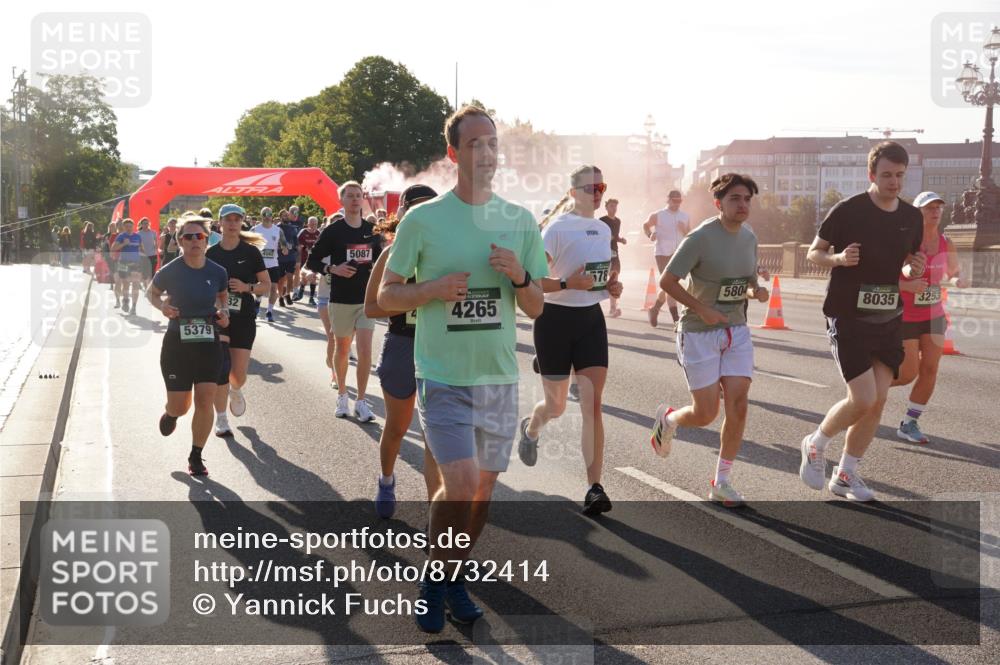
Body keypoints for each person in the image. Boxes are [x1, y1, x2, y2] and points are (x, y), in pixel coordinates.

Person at [378, 105, 547, 633]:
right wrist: (430, 289)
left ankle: (452, 577)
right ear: (454, 153)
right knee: (460, 482)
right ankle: (435, 582)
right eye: (475, 143)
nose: (487, 152)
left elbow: (537, 307)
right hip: (442, 375)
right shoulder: (423, 220)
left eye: (492, 142)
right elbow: (384, 297)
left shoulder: (519, 221)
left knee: (481, 493)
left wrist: (520, 277)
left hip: (497, 378)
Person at [799, 141, 925, 502]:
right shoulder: (848, 210)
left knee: (878, 400)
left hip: (888, 318)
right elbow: (814, 253)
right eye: (886, 175)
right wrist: (838, 259)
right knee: (863, 397)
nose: (894, 182)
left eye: (899, 175)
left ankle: (845, 474)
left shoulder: (911, 217)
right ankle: (815, 443)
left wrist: (912, 269)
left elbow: (905, 263)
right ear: (871, 174)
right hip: (848, 316)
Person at [648, 174, 769, 507]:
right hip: (698, 332)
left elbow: (746, 283)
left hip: (736, 330)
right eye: (735, 199)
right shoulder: (700, 238)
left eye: (747, 199)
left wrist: (756, 292)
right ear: (719, 203)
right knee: (705, 414)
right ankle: (668, 420)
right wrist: (702, 308)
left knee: (739, 404)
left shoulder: (749, 237)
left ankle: (722, 481)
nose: (742, 205)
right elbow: (667, 281)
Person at [518, 165, 624, 515]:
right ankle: (531, 429)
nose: (597, 193)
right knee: (556, 407)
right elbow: (532, 280)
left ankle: (594, 487)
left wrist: (611, 287)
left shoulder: (602, 228)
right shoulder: (557, 229)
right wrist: (567, 284)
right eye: (591, 187)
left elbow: (598, 278)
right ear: (573, 191)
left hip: (591, 319)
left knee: (593, 404)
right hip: (553, 321)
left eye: (601, 187)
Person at [364, 184, 443, 519]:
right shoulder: (391, 254)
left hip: (439, 348)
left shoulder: (448, 253)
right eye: (416, 208)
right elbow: (371, 308)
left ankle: (435, 514)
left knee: (434, 437)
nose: (424, 214)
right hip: (401, 346)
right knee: (397, 427)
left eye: (431, 207)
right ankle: (386, 480)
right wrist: (414, 299)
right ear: (404, 214)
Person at [148, 211, 230, 476]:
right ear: (180, 241)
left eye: (200, 236)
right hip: (177, 344)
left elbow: (223, 297)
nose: (195, 240)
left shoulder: (217, 271)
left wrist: (224, 313)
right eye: (189, 236)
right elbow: (152, 293)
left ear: (206, 239)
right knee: (181, 406)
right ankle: (171, 414)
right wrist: (162, 307)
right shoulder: (170, 270)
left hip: (208, 341)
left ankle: (196, 455)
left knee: (205, 399)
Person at [892, 191, 969, 444]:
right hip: (906, 315)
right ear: (918, 213)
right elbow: (885, 277)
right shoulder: (905, 242)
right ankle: (867, 391)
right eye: (929, 208)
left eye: (938, 207)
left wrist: (958, 280)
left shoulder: (946, 243)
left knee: (930, 369)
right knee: (907, 373)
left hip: (934, 315)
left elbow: (953, 272)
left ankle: (909, 423)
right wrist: (907, 285)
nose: (935, 212)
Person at [307, 181, 382, 422]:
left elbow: (381, 261)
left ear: (363, 199)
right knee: (342, 348)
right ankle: (342, 395)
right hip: (340, 300)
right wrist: (333, 269)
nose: (355, 199)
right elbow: (312, 261)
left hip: (365, 300)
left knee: (365, 349)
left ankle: (361, 401)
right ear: (342, 200)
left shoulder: (372, 230)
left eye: (358, 195)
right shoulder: (333, 231)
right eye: (350, 195)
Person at [206, 203, 270, 437]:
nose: (232, 223)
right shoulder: (211, 254)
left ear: (242, 222)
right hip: (218, 317)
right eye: (228, 219)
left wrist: (246, 287)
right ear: (220, 223)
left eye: (236, 219)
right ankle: (222, 419)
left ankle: (235, 389)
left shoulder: (250, 253)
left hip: (243, 317)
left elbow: (266, 285)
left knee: (238, 375)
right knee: (221, 368)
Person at [643, 190, 690, 327]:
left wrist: (684, 229)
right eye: (674, 201)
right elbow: (646, 225)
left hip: (678, 253)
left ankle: (655, 308)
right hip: (662, 253)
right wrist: (650, 234)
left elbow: (690, 234)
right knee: (670, 284)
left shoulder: (685, 216)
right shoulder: (658, 215)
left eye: (679, 201)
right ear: (668, 200)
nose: (677, 204)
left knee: (668, 285)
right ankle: (676, 320)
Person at [251, 208, 284, 322]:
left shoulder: (278, 230)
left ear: (272, 215)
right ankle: (258, 301)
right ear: (261, 216)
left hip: (273, 264)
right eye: (264, 214)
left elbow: (284, 244)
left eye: (269, 214)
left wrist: (285, 248)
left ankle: (269, 311)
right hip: (258, 264)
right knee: (260, 287)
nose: (267, 216)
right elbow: (247, 244)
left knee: (273, 288)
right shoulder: (255, 229)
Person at [599, 198, 627, 317]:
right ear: (606, 207)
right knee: (599, 281)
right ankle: (591, 306)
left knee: (614, 280)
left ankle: (612, 309)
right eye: (611, 206)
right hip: (602, 252)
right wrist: (606, 238)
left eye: (615, 206)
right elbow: (597, 235)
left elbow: (615, 236)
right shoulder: (602, 220)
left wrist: (621, 240)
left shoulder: (618, 221)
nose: (614, 208)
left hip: (614, 253)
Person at [112, 219, 144, 315]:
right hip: (123, 263)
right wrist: (123, 244)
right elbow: (113, 248)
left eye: (130, 226)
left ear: (133, 226)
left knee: (135, 285)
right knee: (125, 284)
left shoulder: (138, 236)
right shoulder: (121, 236)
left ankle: (134, 307)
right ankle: (125, 301)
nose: (129, 228)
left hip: (136, 263)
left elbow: (142, 249)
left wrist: (143, 254)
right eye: (126, 227)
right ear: (124, 227)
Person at [277, 210, 301, 306]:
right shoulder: (277, 228)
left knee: (290, 277)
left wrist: (296, 247)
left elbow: (296, 241)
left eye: (287, 215)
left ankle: (287, 294)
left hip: (291, 257)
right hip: (280, 257)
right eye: (284, 216)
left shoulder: (292, 228)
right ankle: (280, 297)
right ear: (280, 217)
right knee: (281, 280)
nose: (286, 217)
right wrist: (281, 247)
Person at [297, 216, 321, 305]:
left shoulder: (319, 233)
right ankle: (301, 291)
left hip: (314, 259)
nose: (313, 226)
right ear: (308, 224)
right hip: (304, 258)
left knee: (313, 277)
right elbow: (298, 244)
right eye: (311, 224)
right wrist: (304, 248)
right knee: (304, 277)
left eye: (315, 224)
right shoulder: (303, 232)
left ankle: (311, 298)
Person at [138, 217, 159, 287]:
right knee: (145, 273)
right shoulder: (138, 234)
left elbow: (156, 242)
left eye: (147, 223)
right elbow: (137, 244)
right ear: (141, 224)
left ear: (149, 224)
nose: (146, 225)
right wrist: (140, 248)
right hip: (143, 255)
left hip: (152, 254)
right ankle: (145, 287)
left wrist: (156, 247)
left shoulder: (153, 232)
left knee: (152, 272)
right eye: (144, 223)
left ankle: (150, 287)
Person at [105, 221, 121, 304]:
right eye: (120, 225)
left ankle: (123, 299)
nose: (121, 227)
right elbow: (112, 248)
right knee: (117, 280)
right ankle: (118, 300)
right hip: (115, 259)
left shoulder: (131, 235)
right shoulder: (113, 236)